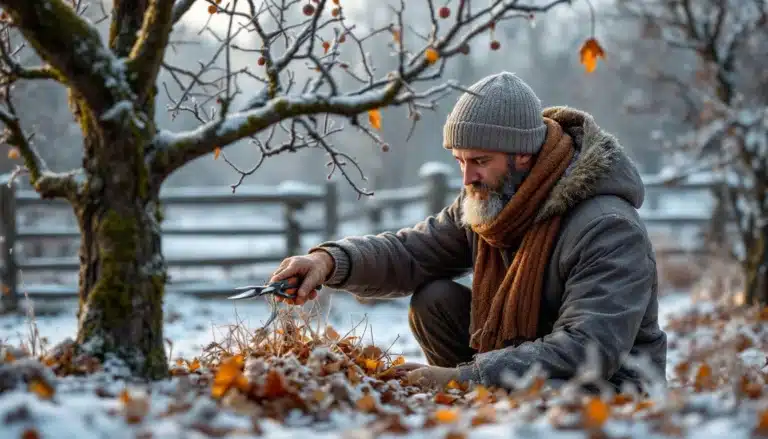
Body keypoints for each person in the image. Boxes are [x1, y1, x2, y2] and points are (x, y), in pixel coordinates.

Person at [268, 72, 667, 393]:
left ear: (523, 155)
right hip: (527, 364)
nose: (468, 177)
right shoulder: (490, 202)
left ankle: (484, 399)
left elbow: (589, 349)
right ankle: (486, 406)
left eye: (480, 160)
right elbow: (412, 252)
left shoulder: (607, 227)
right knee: (433, 299)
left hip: (611, 390)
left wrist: (464, 379)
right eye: (459, 160)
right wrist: (329, 261)